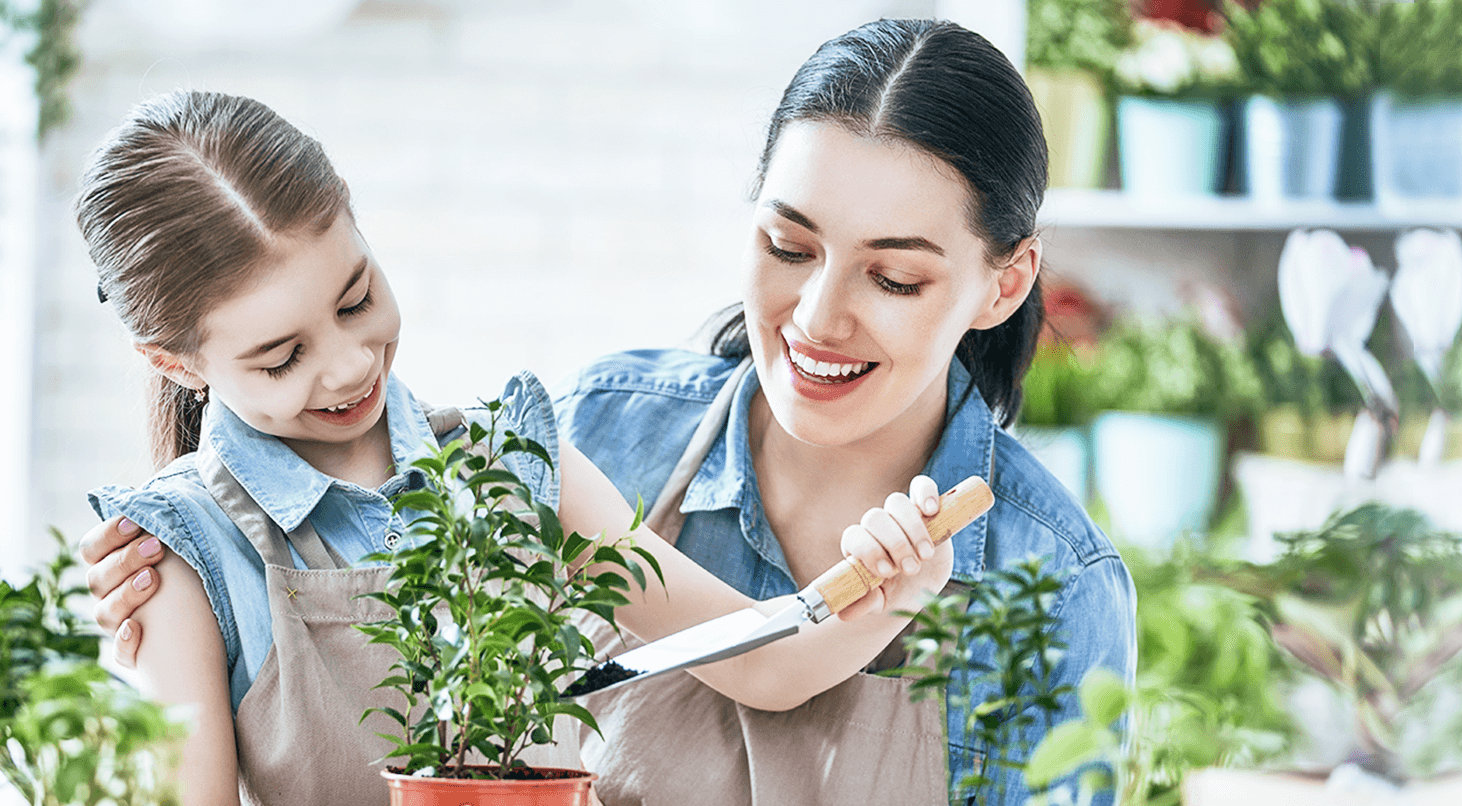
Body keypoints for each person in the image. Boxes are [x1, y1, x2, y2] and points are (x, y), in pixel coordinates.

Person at [86, 19, 1138, 805]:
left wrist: (894, 592)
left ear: (1002, 284)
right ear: (174, 360)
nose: (349, 363)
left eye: (894, 277)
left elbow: (764, 661)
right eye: (787, 245)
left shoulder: (525, 462)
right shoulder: (602, 428)